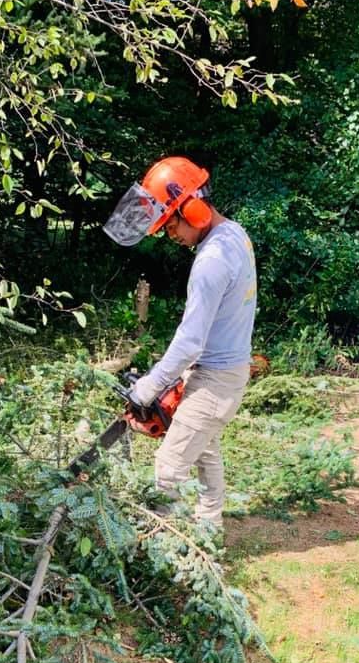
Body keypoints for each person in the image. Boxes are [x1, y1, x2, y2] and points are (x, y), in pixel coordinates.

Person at [103, 156, 256, 528]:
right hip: (224, 368)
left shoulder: (211, 262)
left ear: (195, 209)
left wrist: (148, 388)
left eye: (171, 225)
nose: (172, 237)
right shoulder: (233, 233)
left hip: (216, 378)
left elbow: (189, 341)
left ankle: (164, 545)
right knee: (205, 448)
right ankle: (209, 526)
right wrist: (180, 375)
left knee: (168, 468)